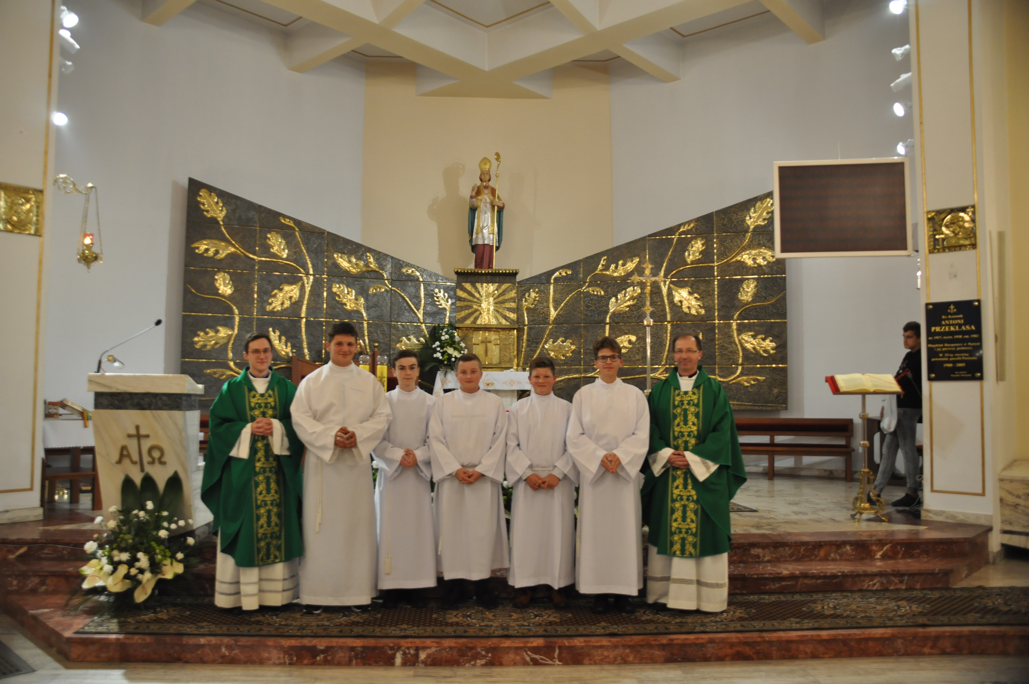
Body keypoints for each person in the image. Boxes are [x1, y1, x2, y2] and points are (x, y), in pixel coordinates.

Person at [642, 333, 747, 613]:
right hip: (668, 474)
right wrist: (666, 454)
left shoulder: (714, 390)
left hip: (703, 476)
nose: (684, 356)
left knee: (704, 531)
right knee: (667, 528)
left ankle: (706, 599)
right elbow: (649, 428)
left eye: (689, 350)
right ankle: (664, 595)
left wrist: (692, 457)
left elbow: (723, 432)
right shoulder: (660, 390)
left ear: (700, 354)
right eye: (679, 351)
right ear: (673, 355)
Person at [291, 322, 392, 613]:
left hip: (355, 466)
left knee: (356, 528)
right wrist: (329, 437)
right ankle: (317, 594)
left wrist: (357, 435)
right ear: (328, 346)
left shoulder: (368, 382)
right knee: (321, 530)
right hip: (323, 466)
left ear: (356, 346)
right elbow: (300, 418)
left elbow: (382, 416)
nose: (345, 349)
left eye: (350, 344)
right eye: (339, 344)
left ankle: (357, 594)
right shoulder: (313, 381)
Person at [202, 331, 305, 612]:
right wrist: (247, 429)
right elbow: (218, 428)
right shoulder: (232, 389)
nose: (262, 356)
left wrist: (278, 427)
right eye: (256, 351)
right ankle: (239, 596)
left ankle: (277, 596)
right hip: (241, 478)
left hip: (278, 476)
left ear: (272, 355)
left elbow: (301, 424)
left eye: (266, 351)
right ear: (245, 355)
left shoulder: (287, 389)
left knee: (279, 526)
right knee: (243, 527)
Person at [567, 337, 650, 615]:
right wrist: (599, 457)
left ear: (621, 361)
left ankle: (624, 592)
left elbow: (642, 433)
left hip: (623, 476)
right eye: (603, 358)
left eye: (613, 357)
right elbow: (575, 435)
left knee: (625, 533)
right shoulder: (583, 395)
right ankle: (599, 592)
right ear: (596, 362)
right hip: (597, 476)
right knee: (597, 534)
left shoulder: (635, 395)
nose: (608, 362)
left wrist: (621, 456)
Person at [429, 353, 509, 609]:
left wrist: (482, 469)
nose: (468, 376)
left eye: (473, 371)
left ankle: (483, 586)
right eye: (463, 372)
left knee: (482, 533)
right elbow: (435, 439)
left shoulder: (494, 403)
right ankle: (455, 586)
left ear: (481, 374)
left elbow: (501, 439)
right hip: (453, 478)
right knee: (453, 533)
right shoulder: (443, 403)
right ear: (456, 375)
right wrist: (454, 469)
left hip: (482, 479)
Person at [506, 356, 577, 609]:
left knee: (557, 536)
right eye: (537, 376)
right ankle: (525, 586)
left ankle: (557, 585)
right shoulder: (518, 409)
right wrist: (527, 474)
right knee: (527, 537)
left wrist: (559, 472)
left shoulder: (567, 409)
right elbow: (510, 445)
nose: (541, 381)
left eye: (546, 376)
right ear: (529, 379)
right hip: (529, 483)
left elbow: (574, 444)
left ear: (555, 379)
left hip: (558, 482)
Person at [372, 350, 436, 609]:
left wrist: (418, 455)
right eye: (402, 368)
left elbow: (437, 440)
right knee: (390, 530)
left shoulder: (431, 403)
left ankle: (417, 586)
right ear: (394, 371)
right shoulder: (383, 402)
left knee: (417, 531)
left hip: (417, 477)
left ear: (418, 370)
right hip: (392, 477)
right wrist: (398, 456)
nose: (407, 372)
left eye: (411, 367)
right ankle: (391, 587)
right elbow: (376, 439)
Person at [871, 321, 923, 508]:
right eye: (904, 336)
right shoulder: (908, 356)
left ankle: (912, 492)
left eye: (909, 337)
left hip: (910, 407)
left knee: (907, 449)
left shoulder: (922, 357)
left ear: (919, 338)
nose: (905, 340)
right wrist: (886, 405)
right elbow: (897, 379)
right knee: (888, 449)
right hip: (898, 407)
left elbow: (903, 380)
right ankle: (876, 491)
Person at [468, 156, 505, 269]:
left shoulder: (493, 190)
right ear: (480, 176)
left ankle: (489, 269)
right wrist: (473, 194)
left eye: (487, 174)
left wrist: (496, 203)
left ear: (489, 176)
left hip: (490, 224)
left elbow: (502, 205)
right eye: (483, 174)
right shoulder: (477, 189)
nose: (485, 176)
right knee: (480, 249)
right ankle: (478, 270)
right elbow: (473, 205)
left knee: (489, 248)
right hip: (480, 224)